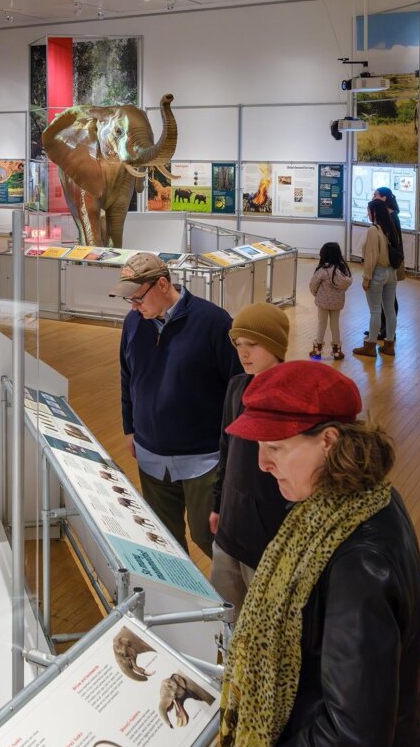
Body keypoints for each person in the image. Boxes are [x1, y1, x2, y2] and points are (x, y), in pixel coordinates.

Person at [208, 361, 420, 747]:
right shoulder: (358, 503)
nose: (261, 463)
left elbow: (355, 736)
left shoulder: (356, 557)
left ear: (329, 441)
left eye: (277, 448)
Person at [114, 252, 242, 557]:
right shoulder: (133, 323)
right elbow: (127, 376)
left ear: (161, 284)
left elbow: (236, 388)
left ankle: (234, 602)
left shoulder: (213, 321)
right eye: (128, 300)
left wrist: (233, 448)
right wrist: (130, 428)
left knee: (208, 537)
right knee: (164, 542)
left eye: (137, 298)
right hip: (150, 458)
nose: (133, 305)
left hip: (204, 459)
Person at [208, 303, 294, 616]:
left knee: (264, 622)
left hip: (267, 537)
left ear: (275, 345)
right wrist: (219, 504)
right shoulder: (235, 387)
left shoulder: (291, 399)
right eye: (238, 345)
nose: (244, 354)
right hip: (230, 527)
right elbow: (226, 447)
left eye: (253, 345)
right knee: (227, 617)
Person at [353, 197, 402, 359]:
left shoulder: (374, 230)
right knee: (389, 310)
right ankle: (389, 345)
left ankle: (370, 346)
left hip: (378, 274)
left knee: (375, 310)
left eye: (368, 211)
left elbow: (371, 257)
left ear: (374, 212)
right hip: (391, 274)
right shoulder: (390, 228)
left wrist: (366, 279)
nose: (367, 214)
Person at [307, 242, 352, 362]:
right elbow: (346, 283)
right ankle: (337, 351)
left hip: (322, 303)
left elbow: (313, 284)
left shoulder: (322, 270)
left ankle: (317, 350)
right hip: (337, 303)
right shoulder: (343, 269)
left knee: (322, 324)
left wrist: (316, 294)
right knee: (335, 325)